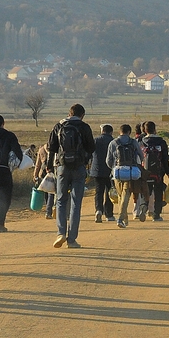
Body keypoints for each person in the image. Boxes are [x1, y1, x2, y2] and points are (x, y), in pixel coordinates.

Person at [46, 103, 96, 249]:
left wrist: (49, 167)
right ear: (82, 115)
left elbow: (51, 148)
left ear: (69, 113)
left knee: (61, 200)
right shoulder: (84, 127)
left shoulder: (59, 126)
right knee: (76, 203)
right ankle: (72, 239)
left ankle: (60, 232)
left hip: (61, 167)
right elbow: (91, 148)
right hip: (79, 167)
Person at [106, 124, 146, 229]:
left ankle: (124, 219)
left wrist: (114, 168)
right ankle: (121, 219)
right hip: (131, 172)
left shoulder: (113, 143)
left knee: (121, 196)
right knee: (125, 195)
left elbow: (108, 161)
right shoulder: (133, 142)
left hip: (117, 173)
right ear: (129, 132)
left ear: (120, 131)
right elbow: (141, 156)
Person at [0, 114, 23, 233]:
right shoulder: (10, 136)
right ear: (3, 123)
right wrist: (15, 165)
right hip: (5, 170)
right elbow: (18, 153)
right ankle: (0, 223)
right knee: (4, 197)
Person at [140, 121, 169, 221]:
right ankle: (156, 215)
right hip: (158, 172)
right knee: (158, 192)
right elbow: (165, 159)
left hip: (145, 172)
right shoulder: (161, 142)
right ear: (155, 129)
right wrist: (168, 172)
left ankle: (143, 207)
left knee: (146, 191)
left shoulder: (142, 142)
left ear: (145, 130)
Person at [90, 124, 116, 223]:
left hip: (97, 170)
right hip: (110, 170)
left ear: (102, 131)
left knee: (98, 191)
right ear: (111, 132)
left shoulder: (95, 140)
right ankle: (109, 214)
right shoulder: (113, 142)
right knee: (110, 192)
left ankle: (98, 210)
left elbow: (90, 153)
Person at [33, 142, 54, 219]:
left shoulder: (41, 149)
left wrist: (35, 175)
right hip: (51, 172)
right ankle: (50, 211)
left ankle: (48, 210)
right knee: (51, 193)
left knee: (46, 192)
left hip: (42, 174)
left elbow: (38, 164)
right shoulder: (53, 149)